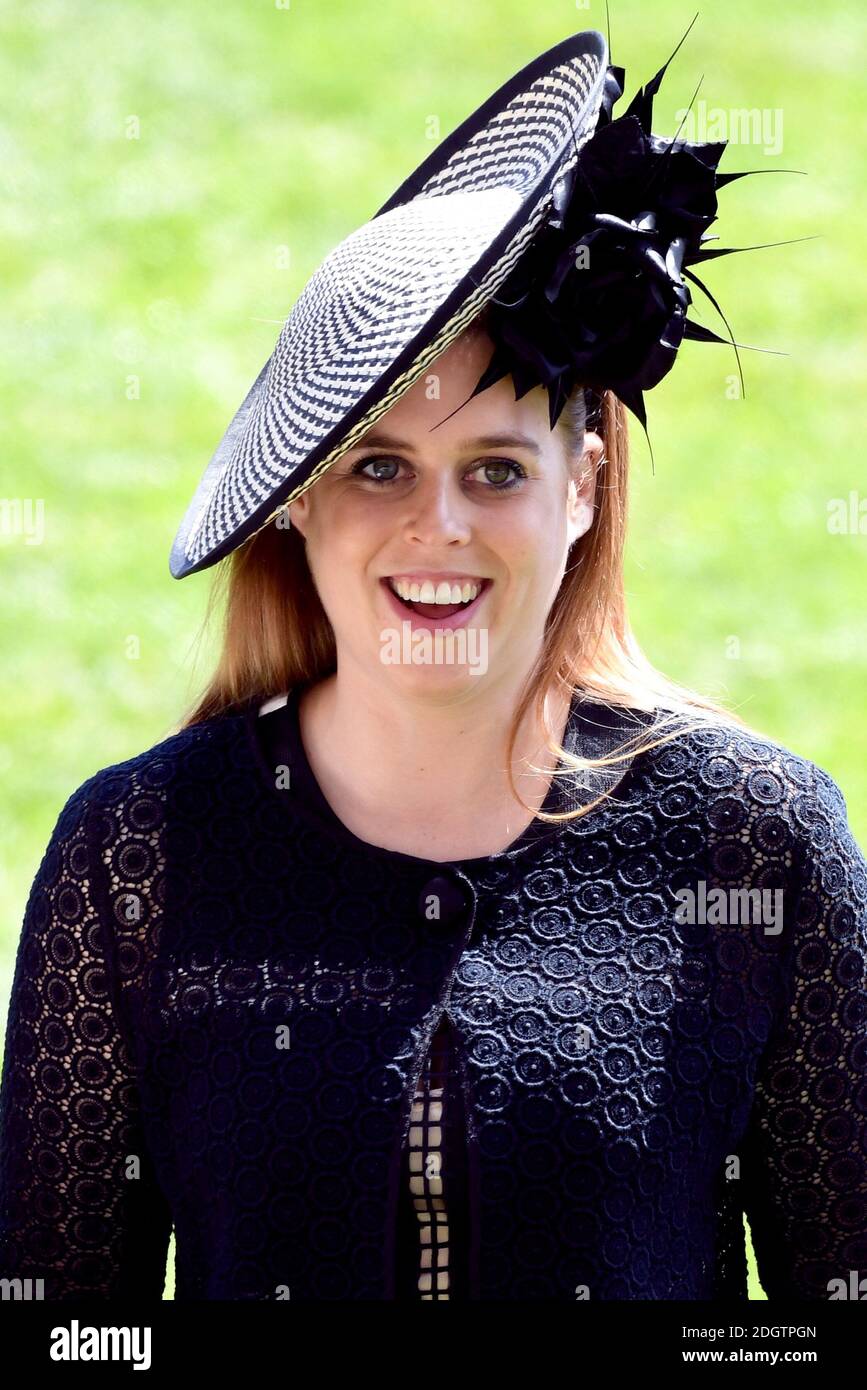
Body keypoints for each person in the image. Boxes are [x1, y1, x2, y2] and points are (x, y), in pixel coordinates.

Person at [1, 28, 864, 1302]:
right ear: (297, 503)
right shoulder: (135, 855)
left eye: (497, 470)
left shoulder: (761, 845)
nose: (440, 527)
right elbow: (63, 1335)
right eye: (379, 467)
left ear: (585, 486)